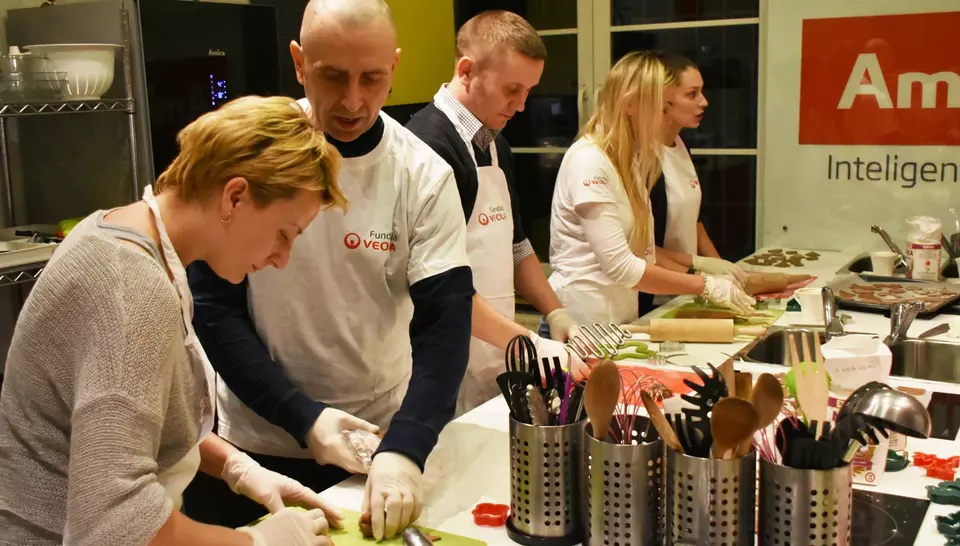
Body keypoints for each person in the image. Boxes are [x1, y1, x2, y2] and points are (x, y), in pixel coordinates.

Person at [182, 0, 474, 540]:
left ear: (395, 65)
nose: (353, 100)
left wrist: (407, 447)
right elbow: (215, 309)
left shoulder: (422, 174)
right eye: (332, 76)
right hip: (258, 445)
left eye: (373, 78)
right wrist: (303, 416)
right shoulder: (252, 153)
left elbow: (445, 325)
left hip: (374, 443)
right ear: (299, 63)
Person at [0, 95, 346, 546]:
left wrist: (237, 467)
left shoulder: (124, 234)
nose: (282, 258)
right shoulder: (132, 289)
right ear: (235, 195)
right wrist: (257, 544)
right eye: (284, 233)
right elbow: (115, 526)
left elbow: (119, 424)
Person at [406, 10, 587, 416]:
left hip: (496, 346)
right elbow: (439, 285)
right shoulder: (429, 146)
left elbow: (516, 244)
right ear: (467, 71)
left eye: (528, 91)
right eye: (512, 90)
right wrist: (531, 343)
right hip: (444, 357)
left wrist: (554, 311)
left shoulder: (494, 142)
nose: (521, 106)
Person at [547, 51, 756, 327]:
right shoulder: (589, 160)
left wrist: (702, 266)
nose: (666, 114)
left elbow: (642, 251)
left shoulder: (631, 160)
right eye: (661, 105)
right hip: (580, 320)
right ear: (629, 104)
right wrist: (703, 284)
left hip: (618, 317)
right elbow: (621, 267)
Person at [644, 51, 747, 312]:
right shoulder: (642, 156)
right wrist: (700, 275)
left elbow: (694, 223)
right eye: (692, 94)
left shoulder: (680, 145)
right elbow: (641, 248)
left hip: (684, 290)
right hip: (651, 296)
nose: (704, 102)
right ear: (663, 99)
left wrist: (725, 271)